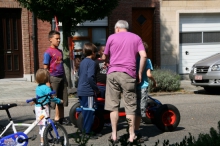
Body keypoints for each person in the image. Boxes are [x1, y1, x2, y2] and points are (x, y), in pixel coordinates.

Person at [102, 20, 147, 143]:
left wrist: (106, 61)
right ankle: (131, 135)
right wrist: (139, 72)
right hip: (128, 74)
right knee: (130, 106)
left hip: (113, 73)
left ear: (117, 28)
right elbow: (144, 55)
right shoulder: (136, 38)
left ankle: (114, 135)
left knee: (113, 106)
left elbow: (105, 56)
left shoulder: (111, 37)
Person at [43, 30, 69, 125]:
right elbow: (45, 68)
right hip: (53, 78)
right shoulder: (48, 52)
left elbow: (61, 65)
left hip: (62, 77)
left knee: (62, 98)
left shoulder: (60, 51)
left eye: (59, 39)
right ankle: (54, 118)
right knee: (54, 99)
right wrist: (47, 81)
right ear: (50, 39)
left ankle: (61, 118)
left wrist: (65, 79)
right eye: (56, 39)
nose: (58, 40)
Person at [34, 69, 63, 146]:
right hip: (44, 107)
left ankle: (42, 140)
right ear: (46, 78)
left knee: (41, 124)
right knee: (45, 124)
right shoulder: (46, 88)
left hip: (37, 107)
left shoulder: (38, 87)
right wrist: (59, 101)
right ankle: (43, 142)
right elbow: (51, 97)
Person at [135, 41, 157, 143]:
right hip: (142, 87)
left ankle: (131, 130)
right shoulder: (147, 60)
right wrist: (154, 81)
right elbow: (148, 75)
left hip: (132, 87)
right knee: (140, 110)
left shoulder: (133, 60)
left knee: (133, 108)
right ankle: (136, 132)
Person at [77, 42, 100, 138]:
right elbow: (90, 77)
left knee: (85, 111)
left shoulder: (82, 62)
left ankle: (84, 130)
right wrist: (96, 89)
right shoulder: (92, 63)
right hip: (88, 91)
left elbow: (79, 74)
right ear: (93, 53)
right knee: (90, 112)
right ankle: (87, 132)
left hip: (81, 89)